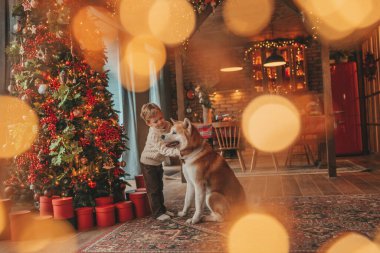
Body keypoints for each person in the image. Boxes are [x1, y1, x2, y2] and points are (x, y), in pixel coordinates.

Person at [140, 103, 180, 221]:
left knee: (160, 186)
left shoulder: (167, 125)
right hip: (148, 163)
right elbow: (163, 150)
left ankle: (162, 209)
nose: (160, 122)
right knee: (153, 189)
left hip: (157, 163)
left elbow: (173, 135)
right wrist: (179, 152)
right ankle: (157, 213)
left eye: (161, 118)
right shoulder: (153, 134)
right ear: (149, 123)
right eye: (156, 121)